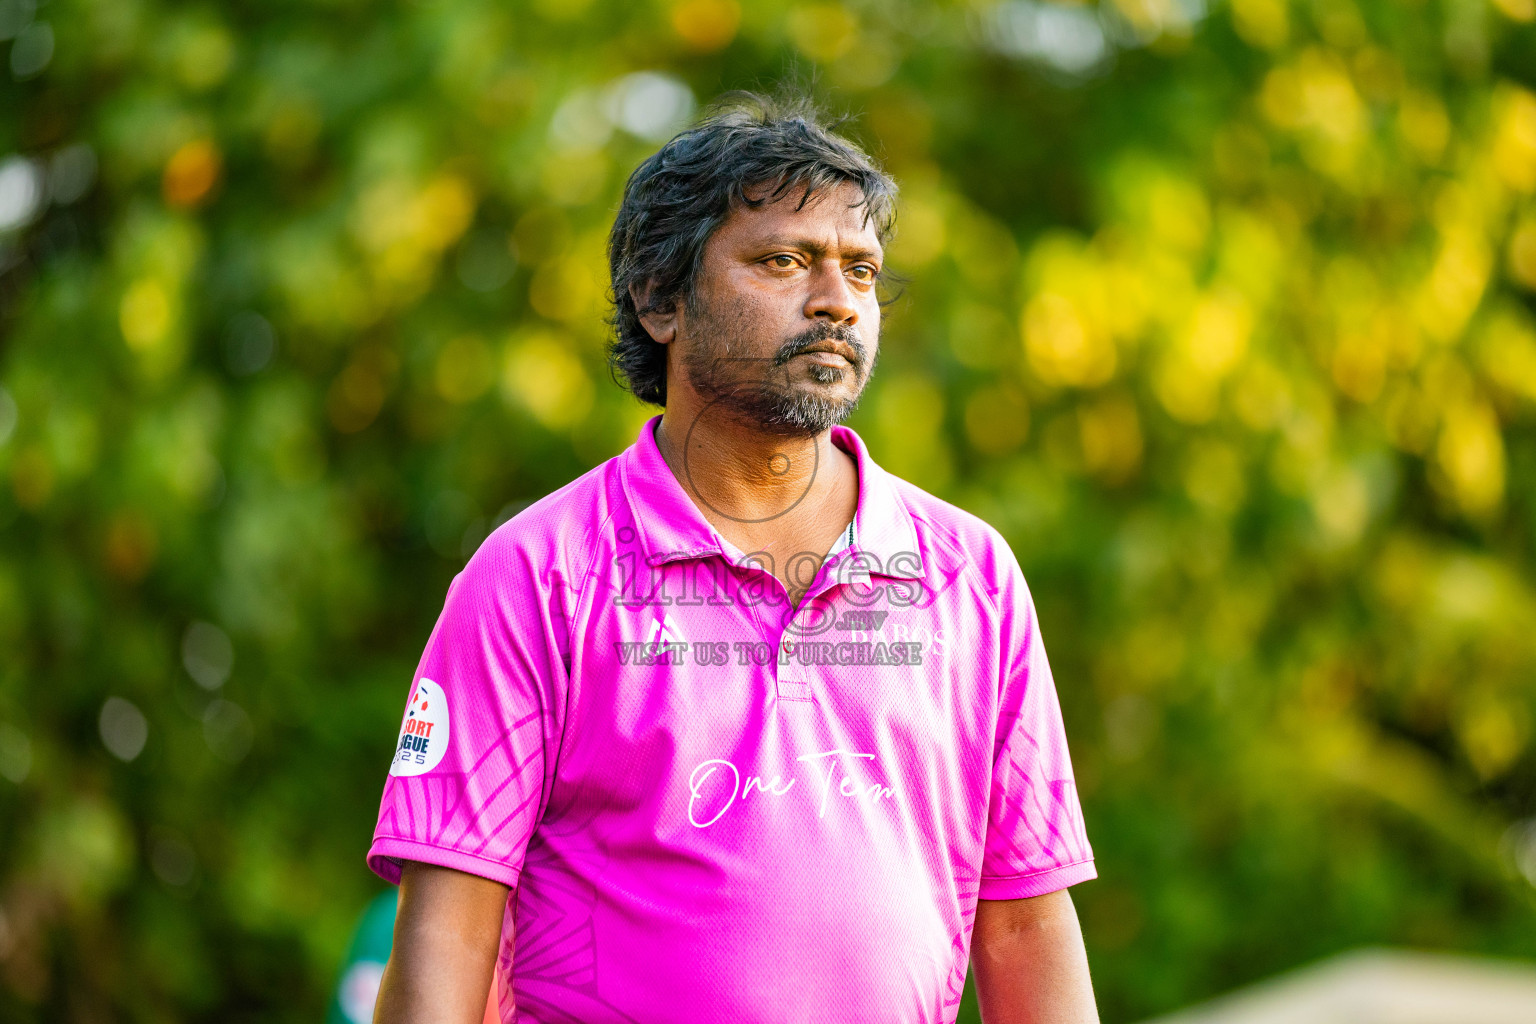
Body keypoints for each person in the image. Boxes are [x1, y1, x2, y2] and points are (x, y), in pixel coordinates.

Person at [368, 93, 1099, 1024]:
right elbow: (448, 935)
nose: (837, 300)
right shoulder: (537, 578)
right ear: (661, 298)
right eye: (785, 260)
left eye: (861, 271)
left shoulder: (969, 578)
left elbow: (1026, 927)